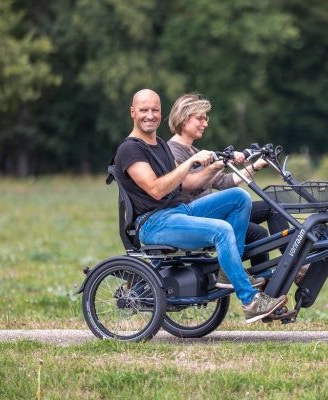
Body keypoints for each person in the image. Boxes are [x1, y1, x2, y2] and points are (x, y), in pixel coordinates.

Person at [112, 88, 287, 323]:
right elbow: (156, 188)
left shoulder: (161, 146)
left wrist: (214, 165)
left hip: (178, 211)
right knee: (221, 229)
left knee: (238, 197)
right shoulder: (129, 149)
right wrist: (191, 161)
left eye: (155, 110)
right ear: (133, 112)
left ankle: (227, 271)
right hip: (154, 223)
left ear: (160, 112)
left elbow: (188, 183)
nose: (150, 115)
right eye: (144, 110)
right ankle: (251, 301)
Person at [166, 94, 290, 272]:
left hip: (213, 211)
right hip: (197, 217)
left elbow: (225, 182)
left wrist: (255, 166)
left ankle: (275, 275)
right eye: (200, 118)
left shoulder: (194, 150)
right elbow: (184, 185)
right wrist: (218, 164)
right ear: (183, 119)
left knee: (272, 207)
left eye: (206, 118)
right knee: (259, 231)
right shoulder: (173, 151)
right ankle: (284, 269)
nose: (205, 123)